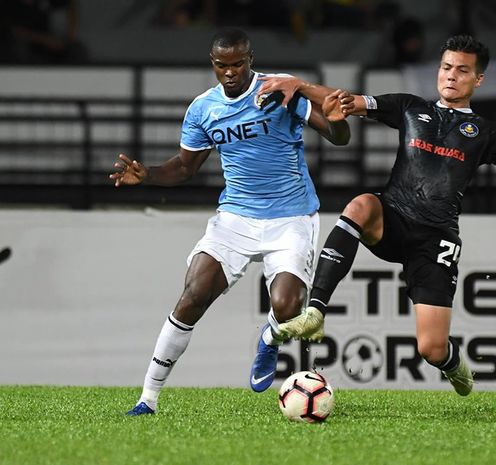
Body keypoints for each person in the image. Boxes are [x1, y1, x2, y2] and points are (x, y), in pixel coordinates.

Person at [256, 34, 496, 396]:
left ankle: (451, 361)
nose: (451, 76)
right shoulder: (410, 107)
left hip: (436, 240)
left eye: (462, 71)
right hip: (393, 219)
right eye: (446, 67)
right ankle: (316, 310)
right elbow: (345, 101)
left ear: (478, 80)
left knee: (430, 348)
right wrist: (299, 86)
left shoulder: (489, 133)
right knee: (361, 204)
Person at [109, 27, 349, 415]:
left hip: (291, 217)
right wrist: (148, 174)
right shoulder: (203, 108)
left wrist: (336, 119)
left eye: (238, 63)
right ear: (213, 65)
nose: (231, 72)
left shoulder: (278, 91)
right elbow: (185, 168)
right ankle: (147, 399)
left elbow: (339, 137)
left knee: (288, 307)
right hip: (236, 218)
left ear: (250, 60)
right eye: (223, 65)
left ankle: (270, 338)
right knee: (192, 296)